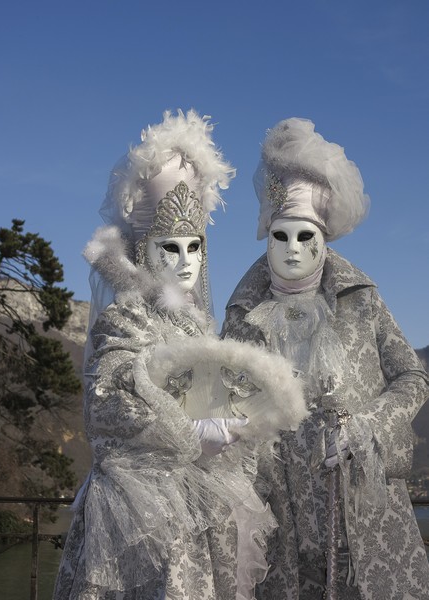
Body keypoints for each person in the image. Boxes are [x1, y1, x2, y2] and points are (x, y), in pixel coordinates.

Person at [53, 110, 277, 600]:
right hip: (138, 519)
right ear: (143, 251)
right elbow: (106, 406)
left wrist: (239, 423)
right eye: (168, 248)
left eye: (193, 247)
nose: (184, 262)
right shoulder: (125, 320)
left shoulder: (198, 327)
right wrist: (191, 431)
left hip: (198, 513)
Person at [221, 117, 429, 599]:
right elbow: (225, 407)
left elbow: (412, 375)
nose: (293, 249)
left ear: (324, 238)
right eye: (282, 235)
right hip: (281, 521)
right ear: (266, 234)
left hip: (359, 511)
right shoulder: (240, 317)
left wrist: (369, 425)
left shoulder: (361, 299)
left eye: (305, 236)